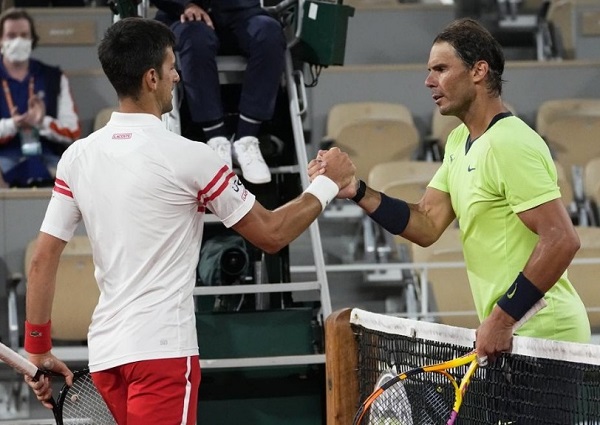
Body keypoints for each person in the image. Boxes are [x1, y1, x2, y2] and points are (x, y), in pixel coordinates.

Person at [23, 17, 353, 425]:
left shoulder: (77, 157)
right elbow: (271, 234)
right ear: (151, 78)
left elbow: (43, 259)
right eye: (171, 67)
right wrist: (326, 186)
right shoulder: (191, 157)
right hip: (162, 356)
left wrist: (36, 348)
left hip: (107, 358)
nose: (177, 76)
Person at [310, 18, 591, 359]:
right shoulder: (460, 140)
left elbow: (562, 239)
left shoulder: (511, 142)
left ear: (478, 71)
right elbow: (426, 223)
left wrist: (501, 320)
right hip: (514, 331)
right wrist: (355, 189)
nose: (429, 82)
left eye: (441, 69)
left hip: (546, 334)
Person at [153, 0, 286, 185]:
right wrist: (185, 5)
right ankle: (216, 140)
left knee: (269, 32)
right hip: (184, 16)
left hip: (241, 12)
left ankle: (246, 138)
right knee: (196, 39)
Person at [0, 8, 80, 188]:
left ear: (32, 39)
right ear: (1, 40)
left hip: (47, 158)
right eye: (11, 36)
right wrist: (12, 125)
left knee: (74, 178)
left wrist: (42, 122)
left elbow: (73, 130)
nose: (18, 41)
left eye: (24, 35)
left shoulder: (54, 77)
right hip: (4, 158)